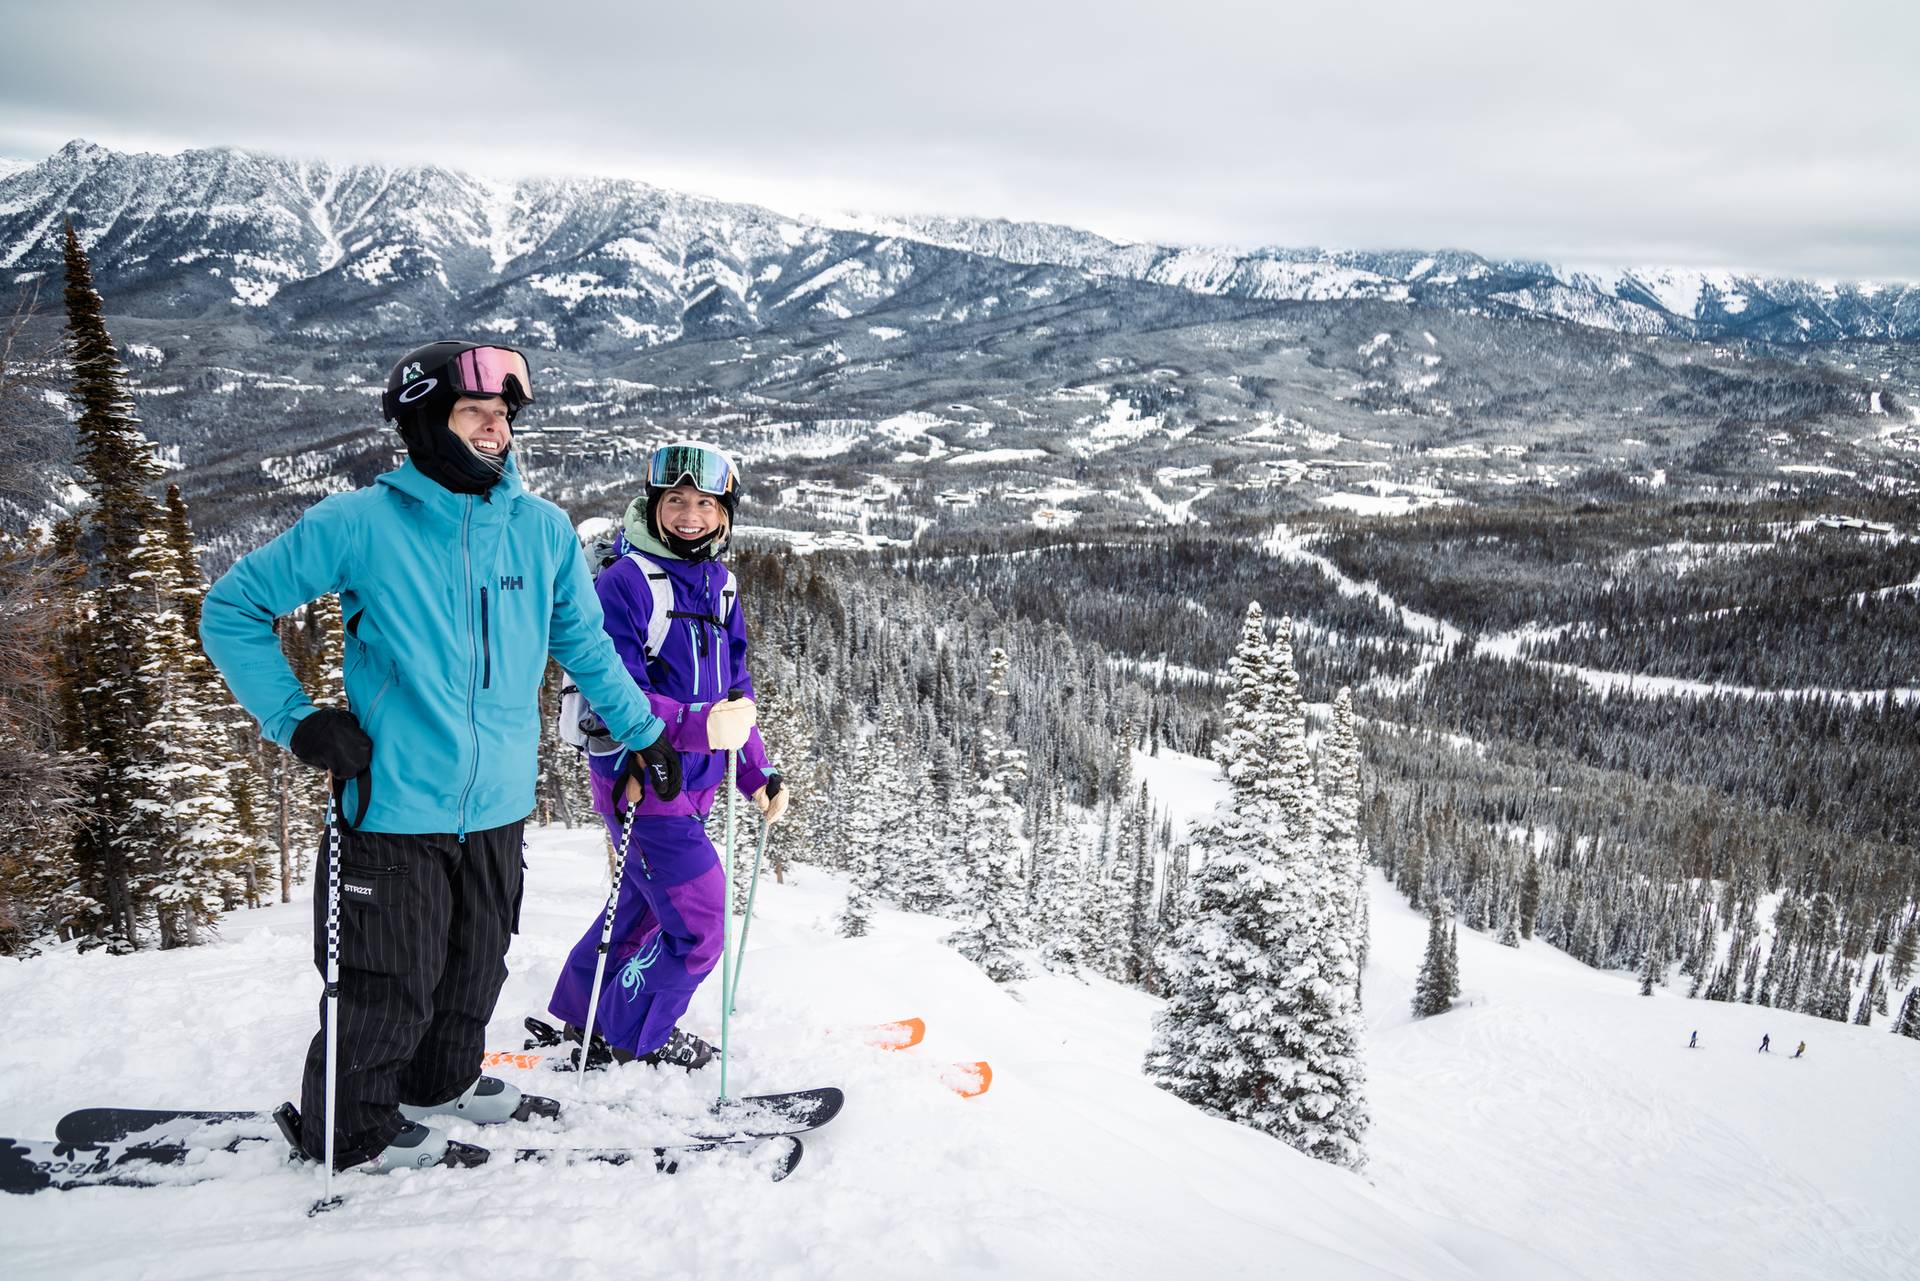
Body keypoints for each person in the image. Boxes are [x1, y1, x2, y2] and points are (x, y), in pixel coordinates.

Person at [201, 341, 682, 1173]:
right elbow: (232, 607)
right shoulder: (358, 523)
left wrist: (645, 731)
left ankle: (441, 1079)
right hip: (392, 805)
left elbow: (588, 646)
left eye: (504, 416)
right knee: (389, 979)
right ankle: (346, 1129)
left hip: (496, 805)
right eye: (476, 415)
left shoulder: (540, 531)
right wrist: (298, 720)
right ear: (427, 422)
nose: (497, 431)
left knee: (473, 965)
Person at [547, 441, 787, 1070]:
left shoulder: (721, 584)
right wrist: (700, 723)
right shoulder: (624, 582)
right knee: (701, 923)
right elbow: (612, 686)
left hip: (699, 780)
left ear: (725, 514)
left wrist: (756, 773)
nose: (690, 515)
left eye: (706, 503)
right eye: (676, 501)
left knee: (642, 906)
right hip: (642, 779)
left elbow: (736, 685)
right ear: (652, 507)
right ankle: (634, 1034)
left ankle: (586, 1012)